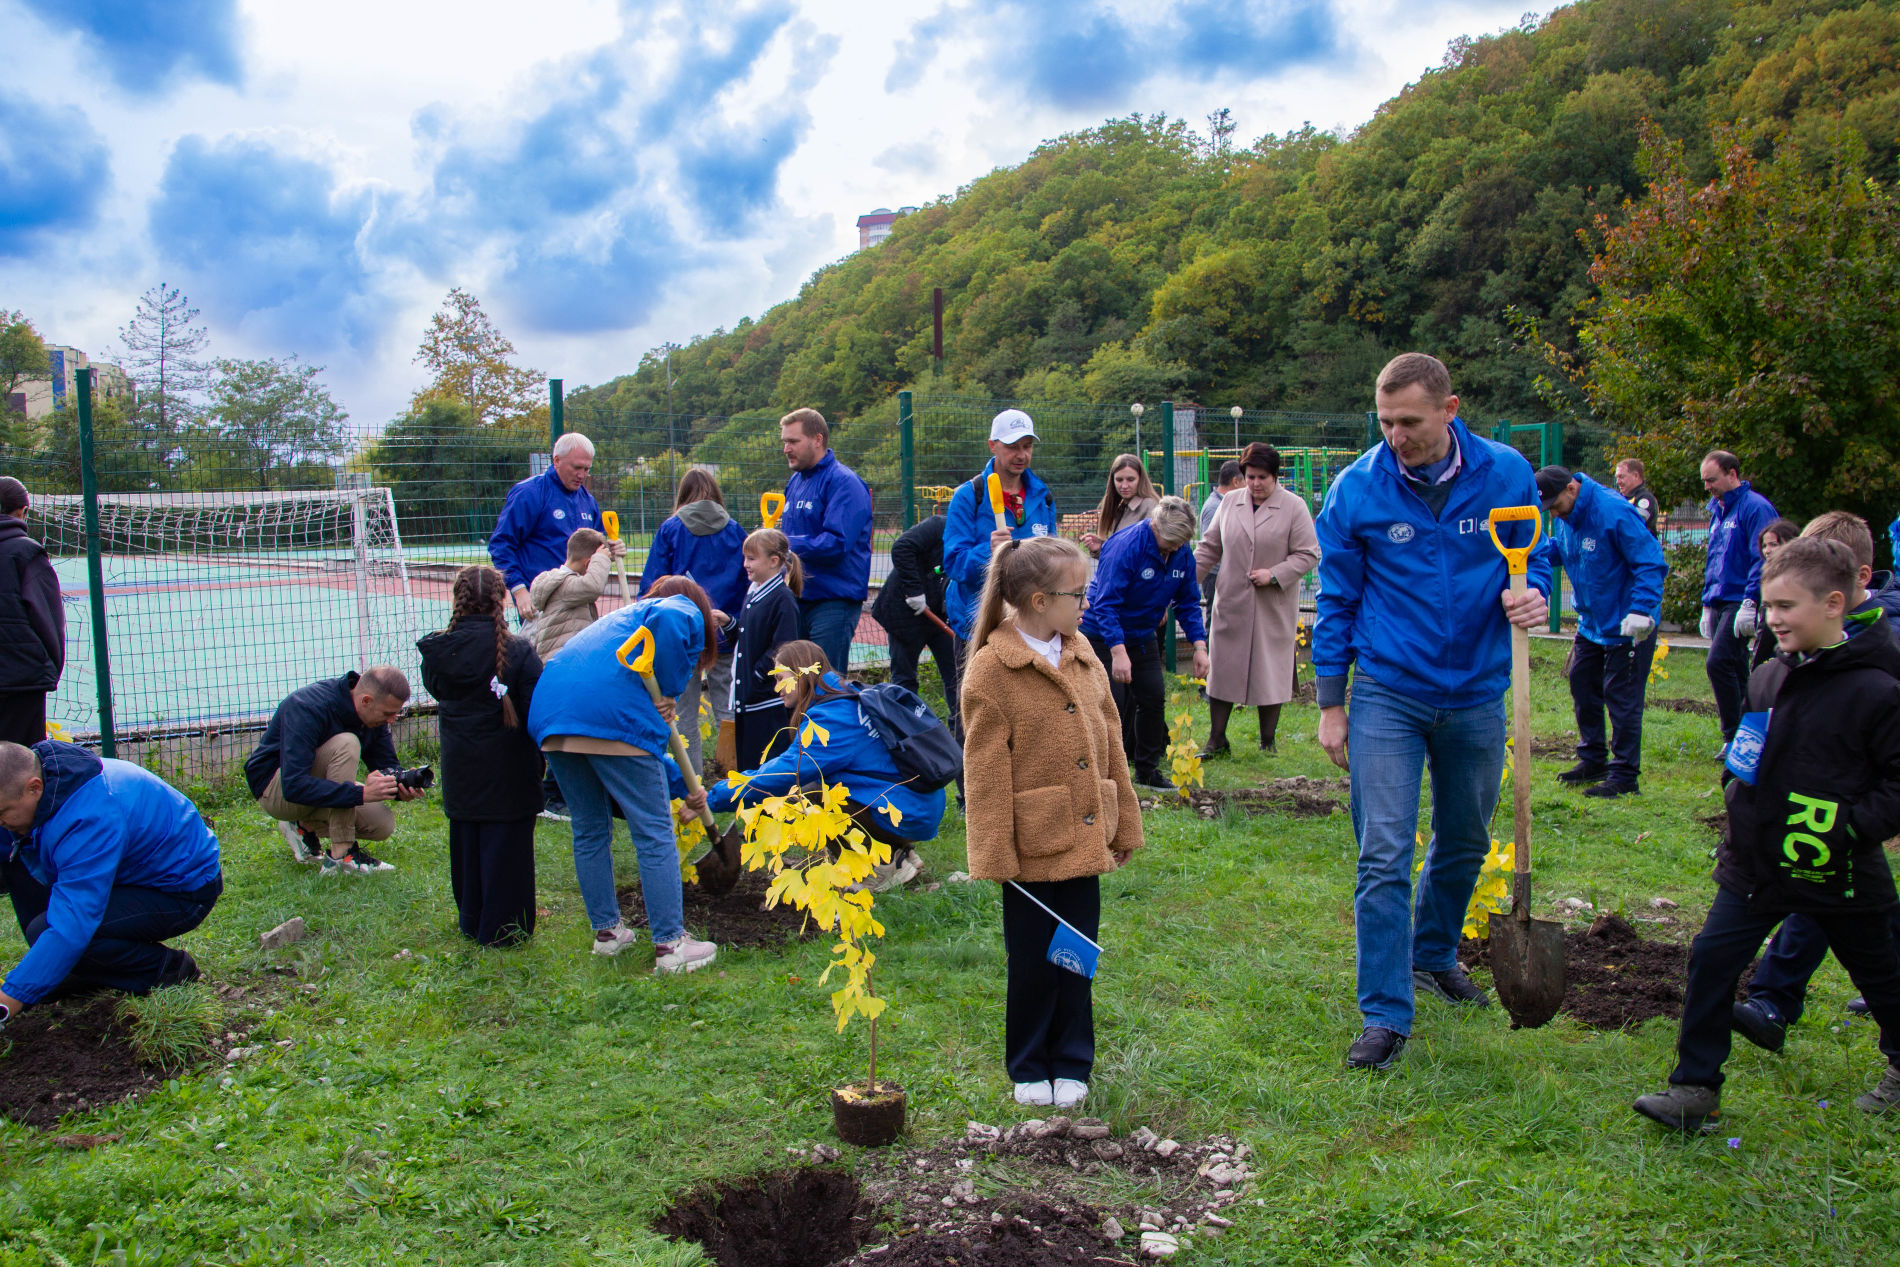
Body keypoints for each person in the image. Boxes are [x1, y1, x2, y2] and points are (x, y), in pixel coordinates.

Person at [1313, 352, 1552, 1072]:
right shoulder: (1357, 490)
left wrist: (1534, 592)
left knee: (1465, 839)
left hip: (1479, 688)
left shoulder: (1506, 473)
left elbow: (1534, 558)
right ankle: (1386, 1011)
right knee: (1382, 850)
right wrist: (1331, 703)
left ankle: (1433, 952)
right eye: (1385, 422)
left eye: (1409, 421)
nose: (1396, 436)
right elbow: (1336, 599)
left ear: (1449, 411)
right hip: (1389, 689)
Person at [1633, 537, 1900, 1130]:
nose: (1772, 619)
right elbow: (1747, 754)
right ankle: (1695, 1088)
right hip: (1755, 864)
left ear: (1834, 603)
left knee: (1881, 972)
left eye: (1786, 607)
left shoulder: (1878, 689)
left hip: (1840, 867)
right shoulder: (1768, 677)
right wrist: (1736, 788)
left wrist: (1853, 828)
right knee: (1711, 958)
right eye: (1767, 606)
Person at [960, 535, 1142, 1110]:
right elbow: (984, 773)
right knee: (1034, 961)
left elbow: (1112, 744)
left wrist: (1125, 825)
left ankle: (1072, 1061)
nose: (1085, 603)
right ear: (1039, 600)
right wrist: (993, 855)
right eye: (1077, 593)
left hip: (1086, 838)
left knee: (1077, 954)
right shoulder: (992, 669)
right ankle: (1029, 1063)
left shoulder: (1084, 652)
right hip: (1032, 846)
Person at [1735, 511, 1900, 1040]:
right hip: (1813, 815)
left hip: (1849, 811)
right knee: (1824, 893)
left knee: (1860, 911)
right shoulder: (1802, 636)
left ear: (1856, 582)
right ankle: (1773, 1000)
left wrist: (1852, 823)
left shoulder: (1881, 649)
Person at [527, 581, 719, 971]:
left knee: (589, 828)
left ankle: (608, 934)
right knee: (653, 831)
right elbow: (627, 746)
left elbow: (637, 757)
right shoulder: (679, 608)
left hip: (554, 716)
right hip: (605, 717)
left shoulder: (621, 624)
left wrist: (688, 788)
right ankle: (671, 947)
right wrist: (665, 689)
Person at [701, 640, 946, 892]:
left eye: (781, 678)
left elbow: (783, 774)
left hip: (908, 812)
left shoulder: (832, 718)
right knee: (826, 786)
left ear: (801, 674)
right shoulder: (846, 694)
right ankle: (900, 855)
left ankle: (879, 867)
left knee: (812, 798)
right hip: (917, 805)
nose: (777, 689)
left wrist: (713, 798)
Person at [0, 740, 221, 1014]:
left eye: (1, 813)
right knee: (45, 927)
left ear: (34, 788)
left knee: (49, 931)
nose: (1, 821)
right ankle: (79, 970)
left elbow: (73, 924)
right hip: (131, 874)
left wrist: (7, 1001)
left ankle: (167, 969)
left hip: (182, 890)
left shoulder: (88, 817)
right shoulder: (51, 783)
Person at [418, 566, 543, 947]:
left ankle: (472, 919)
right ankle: (505, 928)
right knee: (506, 849)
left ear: (457, 600)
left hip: (462, 765)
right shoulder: (518, 650)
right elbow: (535, 708)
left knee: (468, 844)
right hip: (509, 769)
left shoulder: (440, 650)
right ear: (501, 599)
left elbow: (439, 691)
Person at [1537, 466, 1669, 799]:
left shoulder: (1613, 511)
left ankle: (1624, 775)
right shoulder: (1567, 517)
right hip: (1592, 624)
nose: (1553, 512)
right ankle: (1593, 760)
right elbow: (1565, 550)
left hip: (1628, 626)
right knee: (1583, 685)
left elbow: (1650, 560)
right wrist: (1530, 555)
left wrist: (1641, 610)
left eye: (1555, 504)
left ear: (1572, 488)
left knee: (1622, 699)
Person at [1193, 443, 1319, 757]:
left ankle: (1268, 741)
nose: (1255, 484)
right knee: (1222, 669)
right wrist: (1184, 583)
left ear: (1275, 476)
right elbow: (1209, 547)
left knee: (1270, 669)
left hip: (1271, 604)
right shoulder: (1230, 502)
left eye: (1262, 477)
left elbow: (1308, 553)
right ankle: (1217, 740)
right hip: (1231, 601)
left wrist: (1274, 574)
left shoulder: (1294, 506)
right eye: (1250, 477)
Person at [1079, 497, 1209, 789]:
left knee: (1152, 697)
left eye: (1180, 543)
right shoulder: (1126, 546)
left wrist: (1199, 646)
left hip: (1142, 633)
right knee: (1112, 702)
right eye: (1170, 542)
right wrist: (1118, 652)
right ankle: (1105, 774)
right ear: (1155, 526)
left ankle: (1147, 770)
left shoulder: (1181, 551)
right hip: (1102, 633)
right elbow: (1106, 604)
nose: (1175, 549)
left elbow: (1187, 601)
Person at [246, 666, 423, 876]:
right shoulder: (308, 706)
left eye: (396, 712)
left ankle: (303, 826)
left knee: (381, 824)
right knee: (347, 743)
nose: (392, 719)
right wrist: (361, 793)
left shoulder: (373, 715)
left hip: (309, 792)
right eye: (388, 713)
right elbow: (293, 786)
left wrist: (401, 785)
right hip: (276, 789)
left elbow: (386, 766)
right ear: (366, 700)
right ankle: (342, 855)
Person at [942, 409, 1062, 691]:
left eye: (1027, 446)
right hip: (978, 622)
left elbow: (1053, 560)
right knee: (975, 708)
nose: (1021, 455)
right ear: (993, 445)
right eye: (1012, 447)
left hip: (1029, 623)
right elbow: (954, 563)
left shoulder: (1042, 497)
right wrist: (990, 550)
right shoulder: (969, 496)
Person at [640, 469, 748, 777]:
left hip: (681, 635)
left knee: (682, 707)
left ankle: (691, 778)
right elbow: (746, 579)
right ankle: (734, 776)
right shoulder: (734, 529)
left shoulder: (670, 529)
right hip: (724, 631)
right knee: (726, 705)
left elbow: (654, 584)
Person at [778, 408, 873, 673]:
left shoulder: (845, 483)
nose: (786, 448)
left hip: (832, 602)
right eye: (784, 442)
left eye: (793, 441)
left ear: (817, 439)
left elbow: (837, 543)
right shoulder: (795, 481)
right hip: (798, 598)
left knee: (824, 683)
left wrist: (784, 545)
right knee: (796, 681)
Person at [1698, 450, 1778, 744]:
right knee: (1737, 669)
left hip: (1740, 599)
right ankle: (1752, 734)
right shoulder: (1718, 510)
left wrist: (1751, 601)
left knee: (1717, 663)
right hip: (1720, 599)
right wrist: (1707, 602)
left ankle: (1732, 736)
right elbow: (1715, 558)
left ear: (1732, 474)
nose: (1707, 486)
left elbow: (1764, 556)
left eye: (1712, 480)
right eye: (1704, 481)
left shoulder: (1756, 508)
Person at [491, 432, 603, 624]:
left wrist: (609, 548)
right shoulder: (530, 493)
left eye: (586, 469)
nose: (581, 475)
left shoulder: (587, 500)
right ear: (557, 460)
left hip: (579, 605)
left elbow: (599, 545)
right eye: (576, 468)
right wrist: (519, 591)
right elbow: (501, 545)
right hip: (541, 605)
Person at [870, 511, 957, 726]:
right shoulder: (940, 526)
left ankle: (961, 738)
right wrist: (915, 591)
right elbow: (902, 547)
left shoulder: (980, 537)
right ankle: (908, 733)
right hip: (905, 609)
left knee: (957, 677)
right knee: (904, 679)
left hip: (941, 613)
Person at [729, 528, 804, 769]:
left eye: (751, 559)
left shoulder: (782, 599)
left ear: (774, 562)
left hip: (766, 703)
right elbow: (749, 640)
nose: (745, 565)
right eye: (745, 558)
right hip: (749, 700)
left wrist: (758, 675)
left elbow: (784, 647)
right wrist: (729, 624)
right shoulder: (754, 594)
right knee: (748, 765)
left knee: (766, 768)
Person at [0, 478, 63, 747]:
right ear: (23, 510)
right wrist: (49, 670)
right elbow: (48, 621)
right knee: (19, 766)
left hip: (19, 677)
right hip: (21, 682)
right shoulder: (27, 552)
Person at [528, 527, 616, 661]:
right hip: (562, 663)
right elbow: (593, 586)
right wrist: (600, 559)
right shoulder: (565, 585)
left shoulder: (560, 582)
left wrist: (612, 553)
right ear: (588, 564)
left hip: (562, 660)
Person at [1747, 519, 1802, 668]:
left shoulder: (1795, 578)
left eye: (1774, 544)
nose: (1767, 550)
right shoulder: (1769, 576)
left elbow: (1766, 630)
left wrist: (1756, 665)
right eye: (1764, 546)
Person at [1081, 454, 1158, 555]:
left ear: (1141, 479)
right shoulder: (1121, 508)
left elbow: (1148, 554)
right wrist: (1101, 547)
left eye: (1130, 480)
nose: (1124, 486)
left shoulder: (1151, 506)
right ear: (1112, 481)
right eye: (1119, 480)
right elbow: (1121, 557)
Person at [1614, 458, 1660, 537]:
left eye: (1621, 477)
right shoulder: (1618, 498)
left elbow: (1631, 525)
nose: (1617, 482)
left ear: (1636, 475)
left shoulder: (1645, 499)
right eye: (1617, 477)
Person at [1200, 460, 1243, 538]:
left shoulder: (1227, 503)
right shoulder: (1213, 508)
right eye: (1245, 480)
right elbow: (1207, 546)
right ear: (1236, 482)